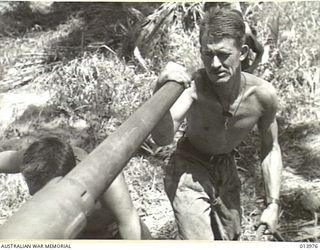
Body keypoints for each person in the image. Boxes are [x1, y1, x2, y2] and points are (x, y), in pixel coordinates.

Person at [151, 8, 282, 240]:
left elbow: (270, 148)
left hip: (226, 168)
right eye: (207, 54)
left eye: (223, 54)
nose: (214, 64)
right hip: (188, 168)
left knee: (230, 238)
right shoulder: (195, 87)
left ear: (242, 53)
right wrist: (159, 88)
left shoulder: (263, 96)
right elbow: (162, 138)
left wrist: (272, 204)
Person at [0, 136, 152, 239]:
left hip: (116, 235)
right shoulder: (35, 160)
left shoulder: (103, 175)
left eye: (42, 190)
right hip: (77, 234)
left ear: (66, 179)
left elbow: (128, 222)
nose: (31, 193)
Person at [203, 2, 264, 73]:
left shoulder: (246, 34)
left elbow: (260, 51)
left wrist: (251, 69)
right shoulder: (216, 34)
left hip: (243, 71)